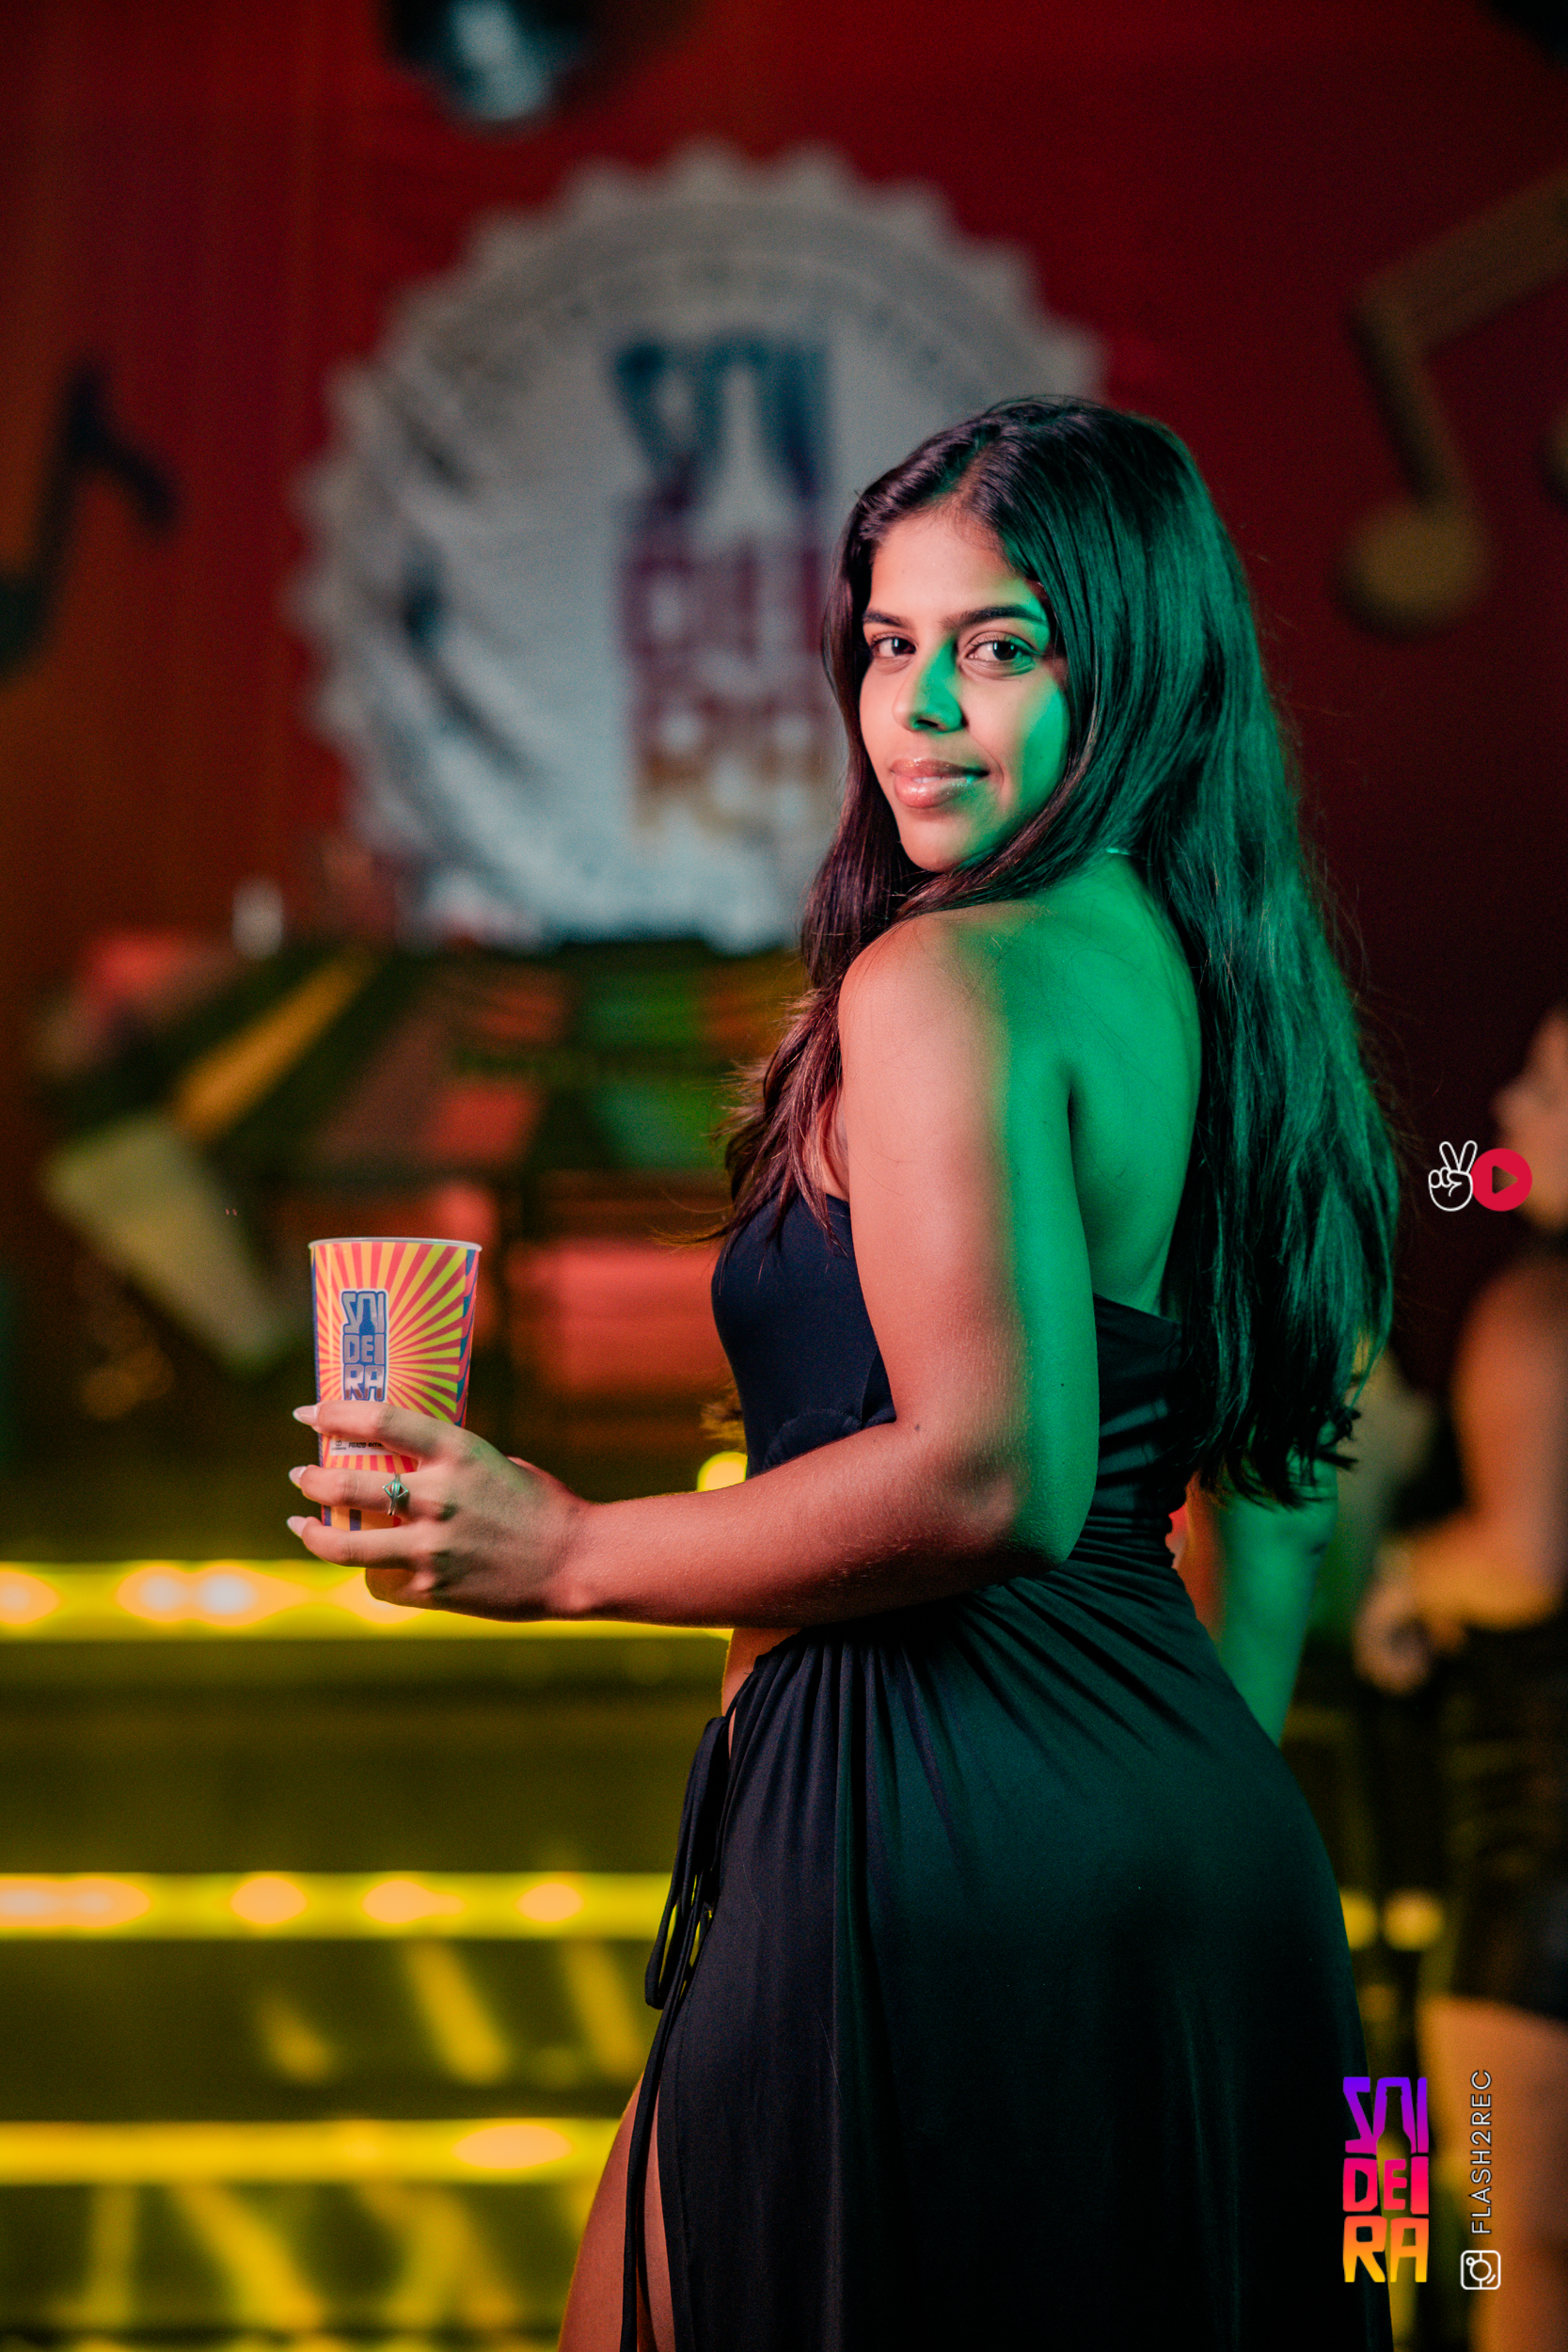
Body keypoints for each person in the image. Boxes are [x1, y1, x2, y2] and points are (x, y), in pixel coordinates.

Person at [287, 396, 1399, 2350]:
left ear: (1130, 664)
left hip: (925, 1832)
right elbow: (1277, 1514)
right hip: (1186, 1846)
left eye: (1000, 645)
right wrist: (1117, 1843)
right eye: (891, 644)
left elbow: (990, 1473)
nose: (923, 710)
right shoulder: (1223, 987)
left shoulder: (948, 976)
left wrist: (562, 1547)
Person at [1355, 1001, 1568, 2352]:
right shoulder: (1476, 1219)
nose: (1509, 1114)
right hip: (1485, 1863)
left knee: (1501, 2247)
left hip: (1521, 1874)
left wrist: (1407, 1579)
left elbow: (1525, 1555)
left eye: (1547, 1087)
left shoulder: (1536, 1309)